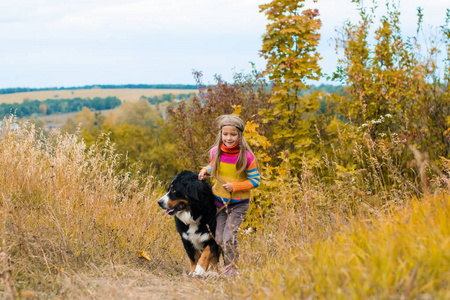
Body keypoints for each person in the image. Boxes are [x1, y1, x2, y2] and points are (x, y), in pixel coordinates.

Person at [198, 115, 261, 277]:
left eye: (233, 134)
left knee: (228, 238)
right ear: (221, 134)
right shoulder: (215, 152)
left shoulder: (247, 157)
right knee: (218, 238)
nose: (229, 138)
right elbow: (214, 166)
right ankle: (220, 267)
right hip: (219, 202)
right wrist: (206, 170)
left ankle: (232, 269)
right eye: (225, 134)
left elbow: (255, 180)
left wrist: (235, 186)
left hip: (239, 204)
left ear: (240, 135)